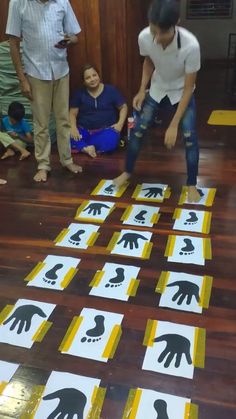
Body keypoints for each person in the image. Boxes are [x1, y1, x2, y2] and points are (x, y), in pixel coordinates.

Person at [113, 0, 201, 203]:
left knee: (189, 136)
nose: (158, 38)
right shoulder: (145, 36)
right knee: (138, 130)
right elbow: (149, 60)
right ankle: (127, 171)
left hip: (181, 92)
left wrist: (173, 125)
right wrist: (142, 90)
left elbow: (189, 88)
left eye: (163, 33)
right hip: (158, 88)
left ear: (176, 23)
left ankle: (192, 184)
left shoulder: (191, 45)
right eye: (154, 32)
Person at [6, 0, 82, 182]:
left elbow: (75, 36)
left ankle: (67, 160)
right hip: (35, 73)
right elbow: (13, 42)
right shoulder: (18, 3)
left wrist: (68, 40)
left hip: (61, 70)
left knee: (63, 120)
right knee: (41, 124)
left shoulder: (62, 2)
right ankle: (43, 165)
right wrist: (22, 78)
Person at [70, 64, 128, 158]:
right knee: (66, 135)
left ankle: (82, 146)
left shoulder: (110, 90)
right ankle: (87, 148)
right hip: (83, 131)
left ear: (99, 76)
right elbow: (72, 113)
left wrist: (120, 124)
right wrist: (73, 128)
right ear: (84, 81)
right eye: (88, 78)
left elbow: (123, 107)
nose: (92, 79)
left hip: (105, 131)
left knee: (111, 139)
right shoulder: (79, 93)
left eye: (94, 75)